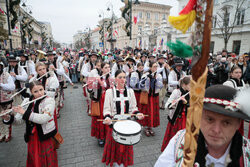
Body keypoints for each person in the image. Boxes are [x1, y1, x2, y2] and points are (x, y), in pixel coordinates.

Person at [155, 85, 250, 166]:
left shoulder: (247, 153)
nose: (216, 130)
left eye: (226, 123)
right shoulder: (180, 141)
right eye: (210, 119)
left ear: (238, 124)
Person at [2, 81, 58, 167]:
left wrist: (24, 112)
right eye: (35, 91)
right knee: (35, 161)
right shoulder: (27, 101)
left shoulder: (49, 100)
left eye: (41, 90)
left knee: (46, 161)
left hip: (45, 137)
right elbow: (19, 121)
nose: (39, 93)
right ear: (31, 92)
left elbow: (44, 118)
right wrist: (8, 118)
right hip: (32, 137)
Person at [102, 69, 144, 167]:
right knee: (115, 149)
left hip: (127, 126)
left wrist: (137, 114)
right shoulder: (109, 92)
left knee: (125, 148)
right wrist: (108, 117)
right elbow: (106, 109)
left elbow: (134, 107)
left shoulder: (130, 91)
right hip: (114, 126)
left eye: (124, 77)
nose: (122, 80)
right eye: (120, 77)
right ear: (115, 79)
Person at [161, 76, 190, 152]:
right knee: (174, 139)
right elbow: (168, 105)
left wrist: (187, 103)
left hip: (186, 120)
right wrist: (177, 102)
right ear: (184, 85)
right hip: (176, 120)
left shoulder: (190, 93)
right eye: (191, 85)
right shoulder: (176, 92)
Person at [89, 62, 111, 147]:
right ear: (102, 69)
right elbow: (90, 90)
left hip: (108, 101)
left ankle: (108, 136)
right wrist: (94, 82)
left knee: (108, 117)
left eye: (109, 67)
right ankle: (101, 137)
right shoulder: (97, 77)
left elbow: (111, 88)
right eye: (105, 67)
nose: (108, 69)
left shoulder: (110, 78)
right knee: (100, 118)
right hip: (100, 101)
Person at [140, 61, 163, 137]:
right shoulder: (146, 74)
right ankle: (146, 128)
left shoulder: (158, 75)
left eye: (156, 66)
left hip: (155, 96)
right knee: (147, 111)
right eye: (154, 66)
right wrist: (146, 79)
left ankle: (151, 127)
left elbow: (160, 86)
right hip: (147, 96)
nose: (155, 68)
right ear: (150, 67)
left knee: (153, 112)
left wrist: (155, 80)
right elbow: (140, 85)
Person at [0, 60, 15, 142]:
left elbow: (12, 87)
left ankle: (7, 134)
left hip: (6, 100)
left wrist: (1, 85)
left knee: (6, 117)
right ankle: (2, 133)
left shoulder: (6, 75)